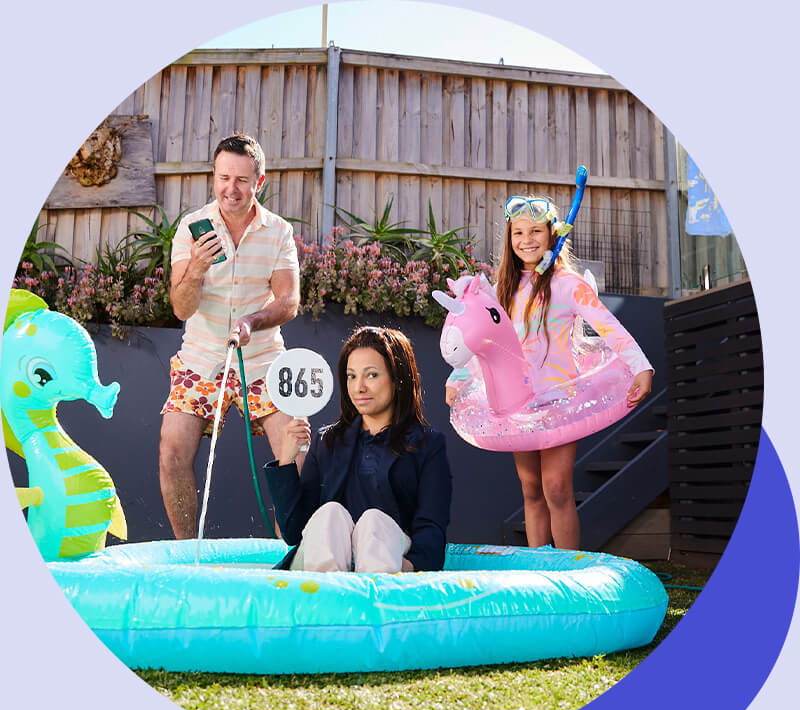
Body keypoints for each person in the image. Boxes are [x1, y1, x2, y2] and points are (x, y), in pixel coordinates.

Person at [445, 196, 653, 550]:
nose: (527, 240)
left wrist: (641, 366)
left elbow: (608, 326)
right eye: (518, 232)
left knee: (557, 487)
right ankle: (536, 565)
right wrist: (458, 379)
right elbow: (485, 342)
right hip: (519, 404)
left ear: (552, 234)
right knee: (530, 488)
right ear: (509, 239)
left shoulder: (568, 284)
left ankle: (568, 571)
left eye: (536, 231)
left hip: (559, 400)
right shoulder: (500, 292)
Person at [159, 133, 301, 540]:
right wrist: (198, 268)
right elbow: (181, 309)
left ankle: (285, 555)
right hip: (201, 358)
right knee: (171, 450)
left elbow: (289, 301)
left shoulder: (278, 232)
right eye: (223, 178)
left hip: (263, 360)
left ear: (259, 182)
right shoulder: (191, 228)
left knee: (297, 452)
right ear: (214, 176)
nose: (230, 189)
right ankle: (189, 555)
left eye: (241, 180)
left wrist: (253, 321)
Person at [264, 326, 452, 573]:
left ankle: (376, 601)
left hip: (388, 564)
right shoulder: (327, 441)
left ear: (398, 379)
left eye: (371, 375)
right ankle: (327, 603)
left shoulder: (427, 445)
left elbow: (431, 526)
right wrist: (286, 463)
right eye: (351, 376)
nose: (359, 387)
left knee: (374, 522)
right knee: (330, 513)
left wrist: (408, 567)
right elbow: (294, 531)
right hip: (321, 566)